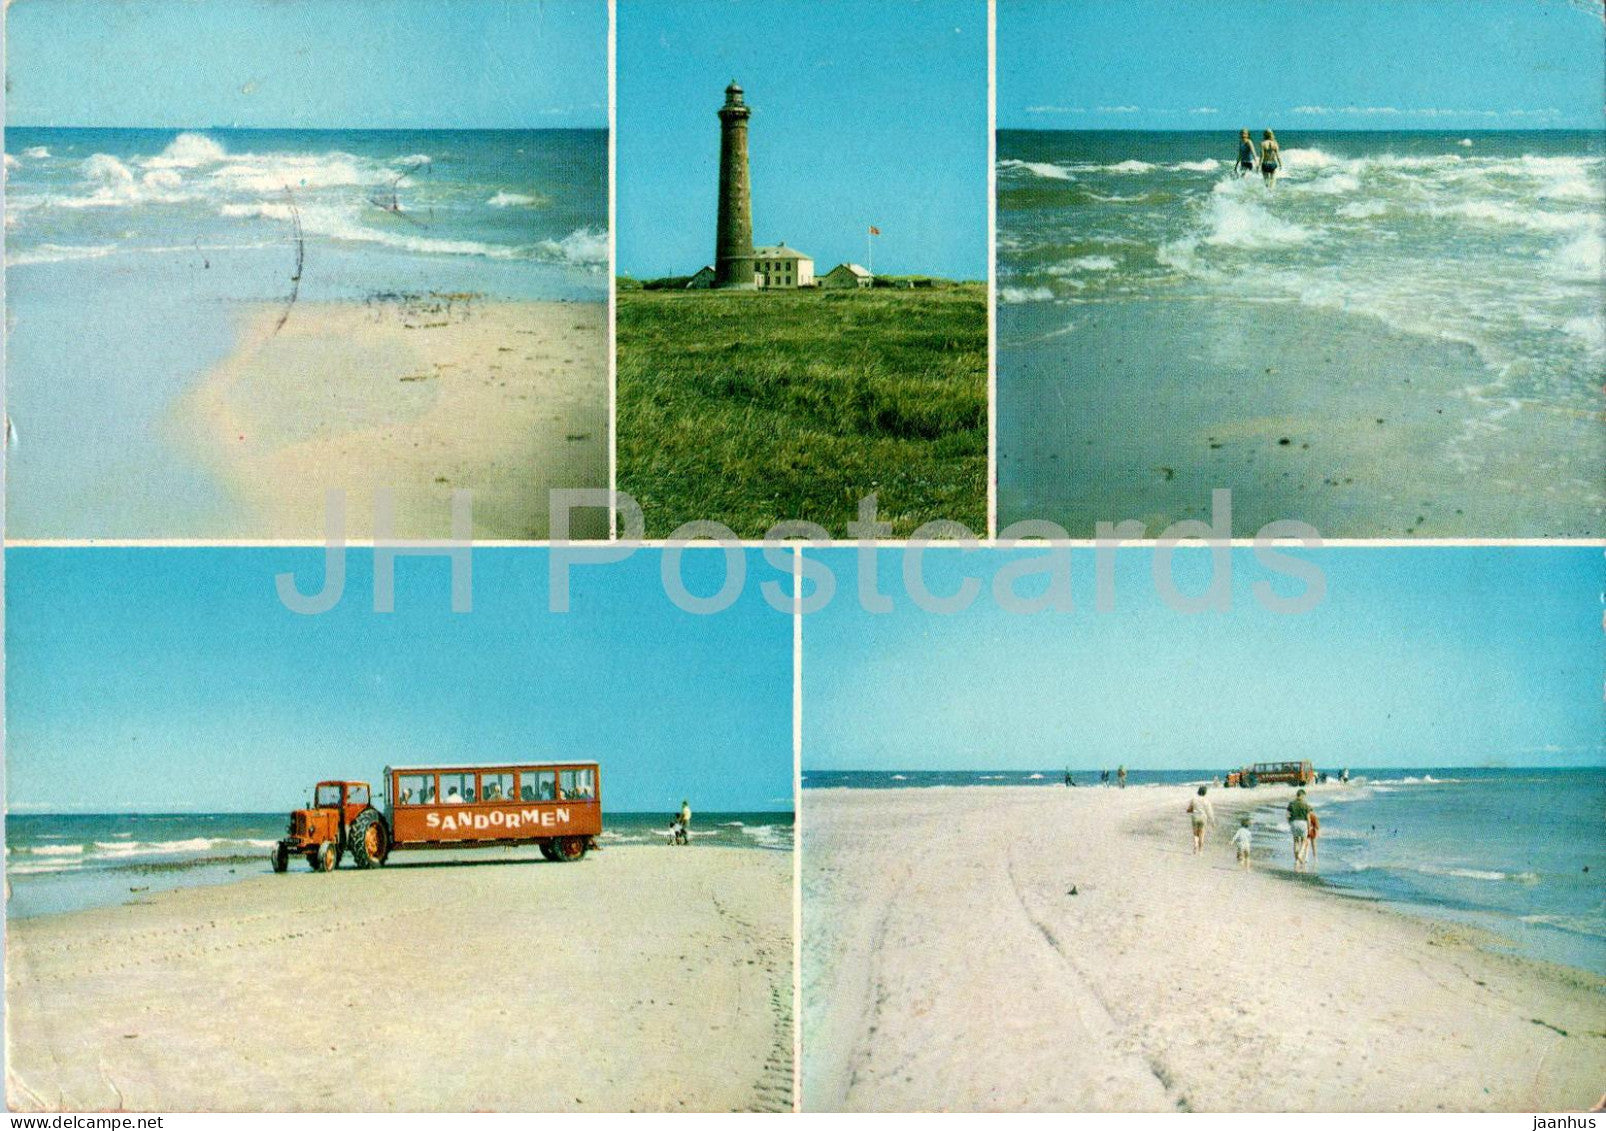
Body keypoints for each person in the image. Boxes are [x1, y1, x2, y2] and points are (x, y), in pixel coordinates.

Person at [1287, 788, 1313, 871]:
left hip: (1293, 822)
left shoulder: (1291, 804)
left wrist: (1290, 823)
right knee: (1304, 842)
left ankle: (1296, 860)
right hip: (1303, 823)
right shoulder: (1305, 805)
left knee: (1295, 841)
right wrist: (1309, 828)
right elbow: (1308, 818)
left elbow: (1287, 815)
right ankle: (1299, 858)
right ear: (1302, 795)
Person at [1186, 786, 1215, 854]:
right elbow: (1209, 811)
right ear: (1205, 792)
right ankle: (1200, 851)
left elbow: (1190, 808)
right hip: (1203, 817)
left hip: (1195, 817)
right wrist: (1212, 821)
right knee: (1201, 834)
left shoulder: (1194, 799)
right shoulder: (1206, 800)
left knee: (1196, 834)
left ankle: (1195, 846)